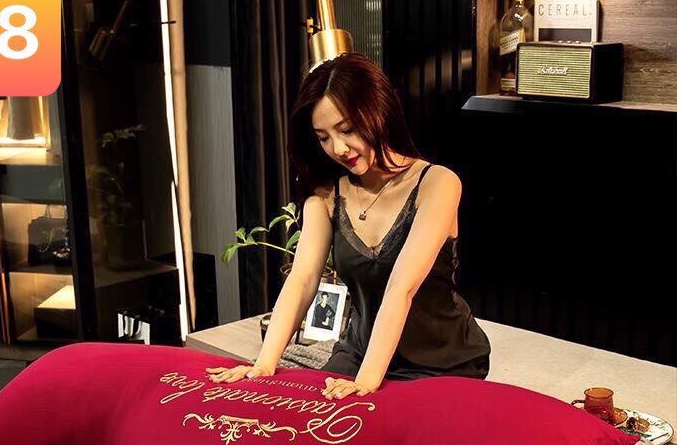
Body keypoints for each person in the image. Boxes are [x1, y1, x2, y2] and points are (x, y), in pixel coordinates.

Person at [206, 52, 491, 400]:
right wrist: (263, 364)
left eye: (347, 130)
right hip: (359, 352)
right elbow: (302, 279)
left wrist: (367, 383)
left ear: (378, 111)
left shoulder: (437, 183)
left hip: (440, 359)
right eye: (323, 137)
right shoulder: (326, 197)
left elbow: (401, 287)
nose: (338, 148)